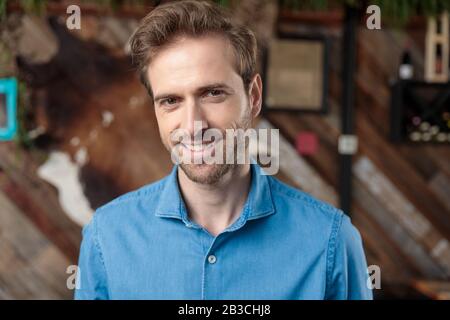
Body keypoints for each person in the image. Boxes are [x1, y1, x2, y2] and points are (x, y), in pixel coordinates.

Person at [75, 0, 372, 300]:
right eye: (171, 101)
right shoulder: (107, 237)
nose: (193, 125)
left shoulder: (330, 241)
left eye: (213, 93)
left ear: (253, 97)